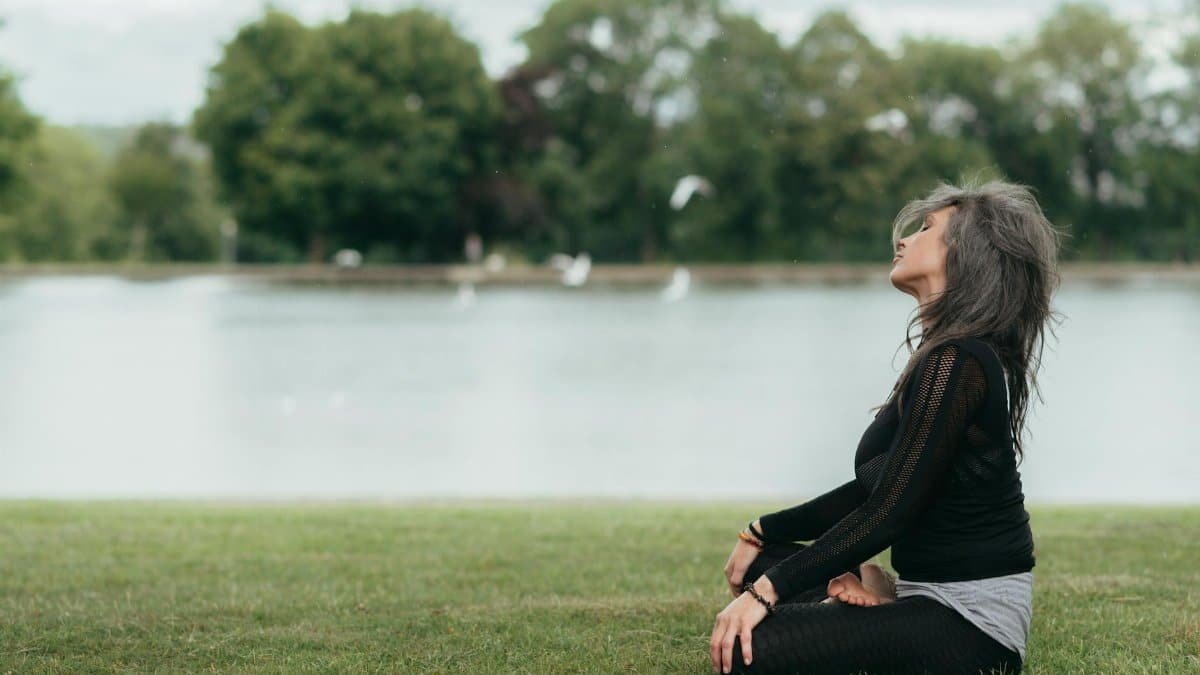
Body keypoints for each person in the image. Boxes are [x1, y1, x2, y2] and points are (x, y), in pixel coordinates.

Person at [708, 177, 1068, 674]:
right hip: (926, 598)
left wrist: (765, 596)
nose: (903, 239)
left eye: (925, 229)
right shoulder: (943, 355)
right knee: (766, 560)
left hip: (971, 626)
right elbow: (870, 489)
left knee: (748, 651)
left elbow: (890, 510)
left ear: (966, 255)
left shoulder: (959, 361)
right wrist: (760, 533)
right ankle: (882, 596)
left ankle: (882, 601)